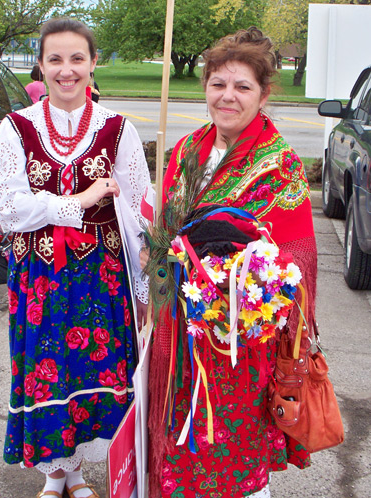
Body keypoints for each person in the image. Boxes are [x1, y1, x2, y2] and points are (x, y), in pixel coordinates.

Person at [146, 27, 317, 498]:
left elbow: (298, 255)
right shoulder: (185, 152)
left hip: (241, 344)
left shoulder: (279, 164)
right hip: (181, 336)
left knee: (232, 453)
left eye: (242, 86)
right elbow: (165, 235)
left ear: (263, 95)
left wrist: (240, 282)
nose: (228, 96)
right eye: (218, 84)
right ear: (205, 88)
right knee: (181, 443)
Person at [0, 17, 151, 498]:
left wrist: (147, 287)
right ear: (40, 64)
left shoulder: (118, 129)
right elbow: (8, 208)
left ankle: (78, 474)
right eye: (55, 59)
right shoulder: (15, 128)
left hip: (101, 280)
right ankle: (53, 476)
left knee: (91, 371)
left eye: (77, 58)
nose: (67, 70)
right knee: (46, 371)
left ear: (93, 63)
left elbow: (140, 209)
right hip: (40, 278)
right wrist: (78, 203)